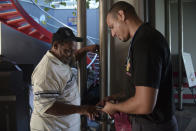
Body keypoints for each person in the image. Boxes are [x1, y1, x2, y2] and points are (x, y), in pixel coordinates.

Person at [100, 1, 178, 131]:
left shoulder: (145, 43)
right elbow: (143, 87)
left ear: (121, 15)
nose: (112, 34)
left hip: (153, 126)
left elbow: (144, 104)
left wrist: (114, 108)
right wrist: (117, 98)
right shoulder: (140, 40)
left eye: (112, 26)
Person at [30, 27, 99, 131]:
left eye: (73, 50)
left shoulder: (61, 59)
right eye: (67, 51)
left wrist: (86, 49)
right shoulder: (46, 72)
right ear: (55, 46)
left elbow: (74, 57)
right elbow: (48, 107)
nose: (71, 55)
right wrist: (82, 109)